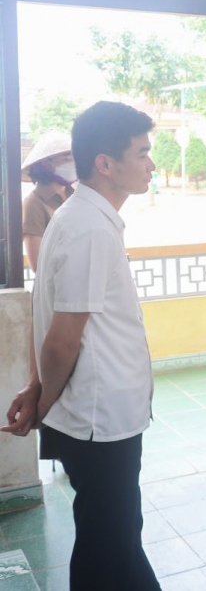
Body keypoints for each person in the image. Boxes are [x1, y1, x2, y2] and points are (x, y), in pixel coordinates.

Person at [2, 101, 160, 590]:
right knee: (109, 544)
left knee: (112, 537)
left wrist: (35, 388)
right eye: (142, 152)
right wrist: (42, 399)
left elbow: (43, 314)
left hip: (96, 414)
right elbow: (62, 337)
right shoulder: (89, 228)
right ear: (105, 164)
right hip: (100, 419)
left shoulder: (76, 216)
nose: (152, 164)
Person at [21, 130, 77, 272]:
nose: (73, 161)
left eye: (73, 155)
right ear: (46, 163)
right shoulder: (33, 204)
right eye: (66, 156)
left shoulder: (76, 196)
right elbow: (37, 264)